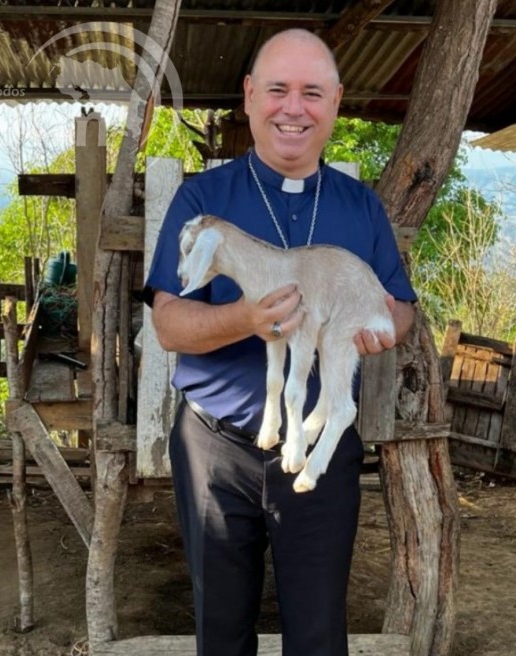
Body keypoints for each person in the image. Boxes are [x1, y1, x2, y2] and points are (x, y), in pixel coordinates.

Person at [142, 28, 417, 656]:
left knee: (319, 633)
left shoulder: (361, 208)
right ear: (249, 96)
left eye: (312, 93)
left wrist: (382, 331)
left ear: (335, 103)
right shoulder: (203, 199)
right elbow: (167, 323)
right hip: (213, 448)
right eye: (278, 90)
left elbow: (399, 308)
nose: (294, 108)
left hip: (320, 447)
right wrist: (247, 318)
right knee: (222, 632)